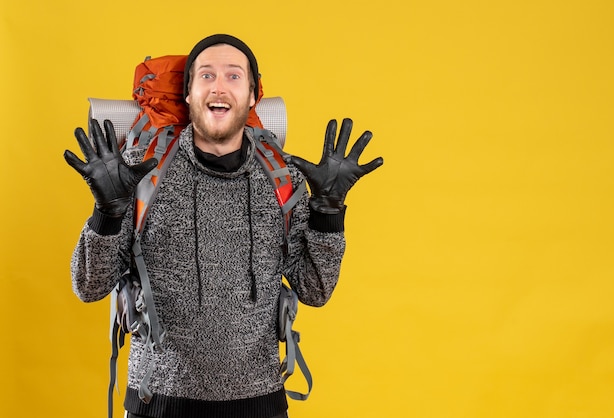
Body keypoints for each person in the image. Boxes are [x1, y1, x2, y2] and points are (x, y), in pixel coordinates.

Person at [64, 34, 383, 418]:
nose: (219, 86)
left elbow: (315, 290)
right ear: (188, 93)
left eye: (234, 76)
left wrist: (328, 213)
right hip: (156, 404)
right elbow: (89, 286)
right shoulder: (139, 170)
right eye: (206, 76)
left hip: (260, 403)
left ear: (252, 95)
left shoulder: (282, 179)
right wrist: (108, 213)